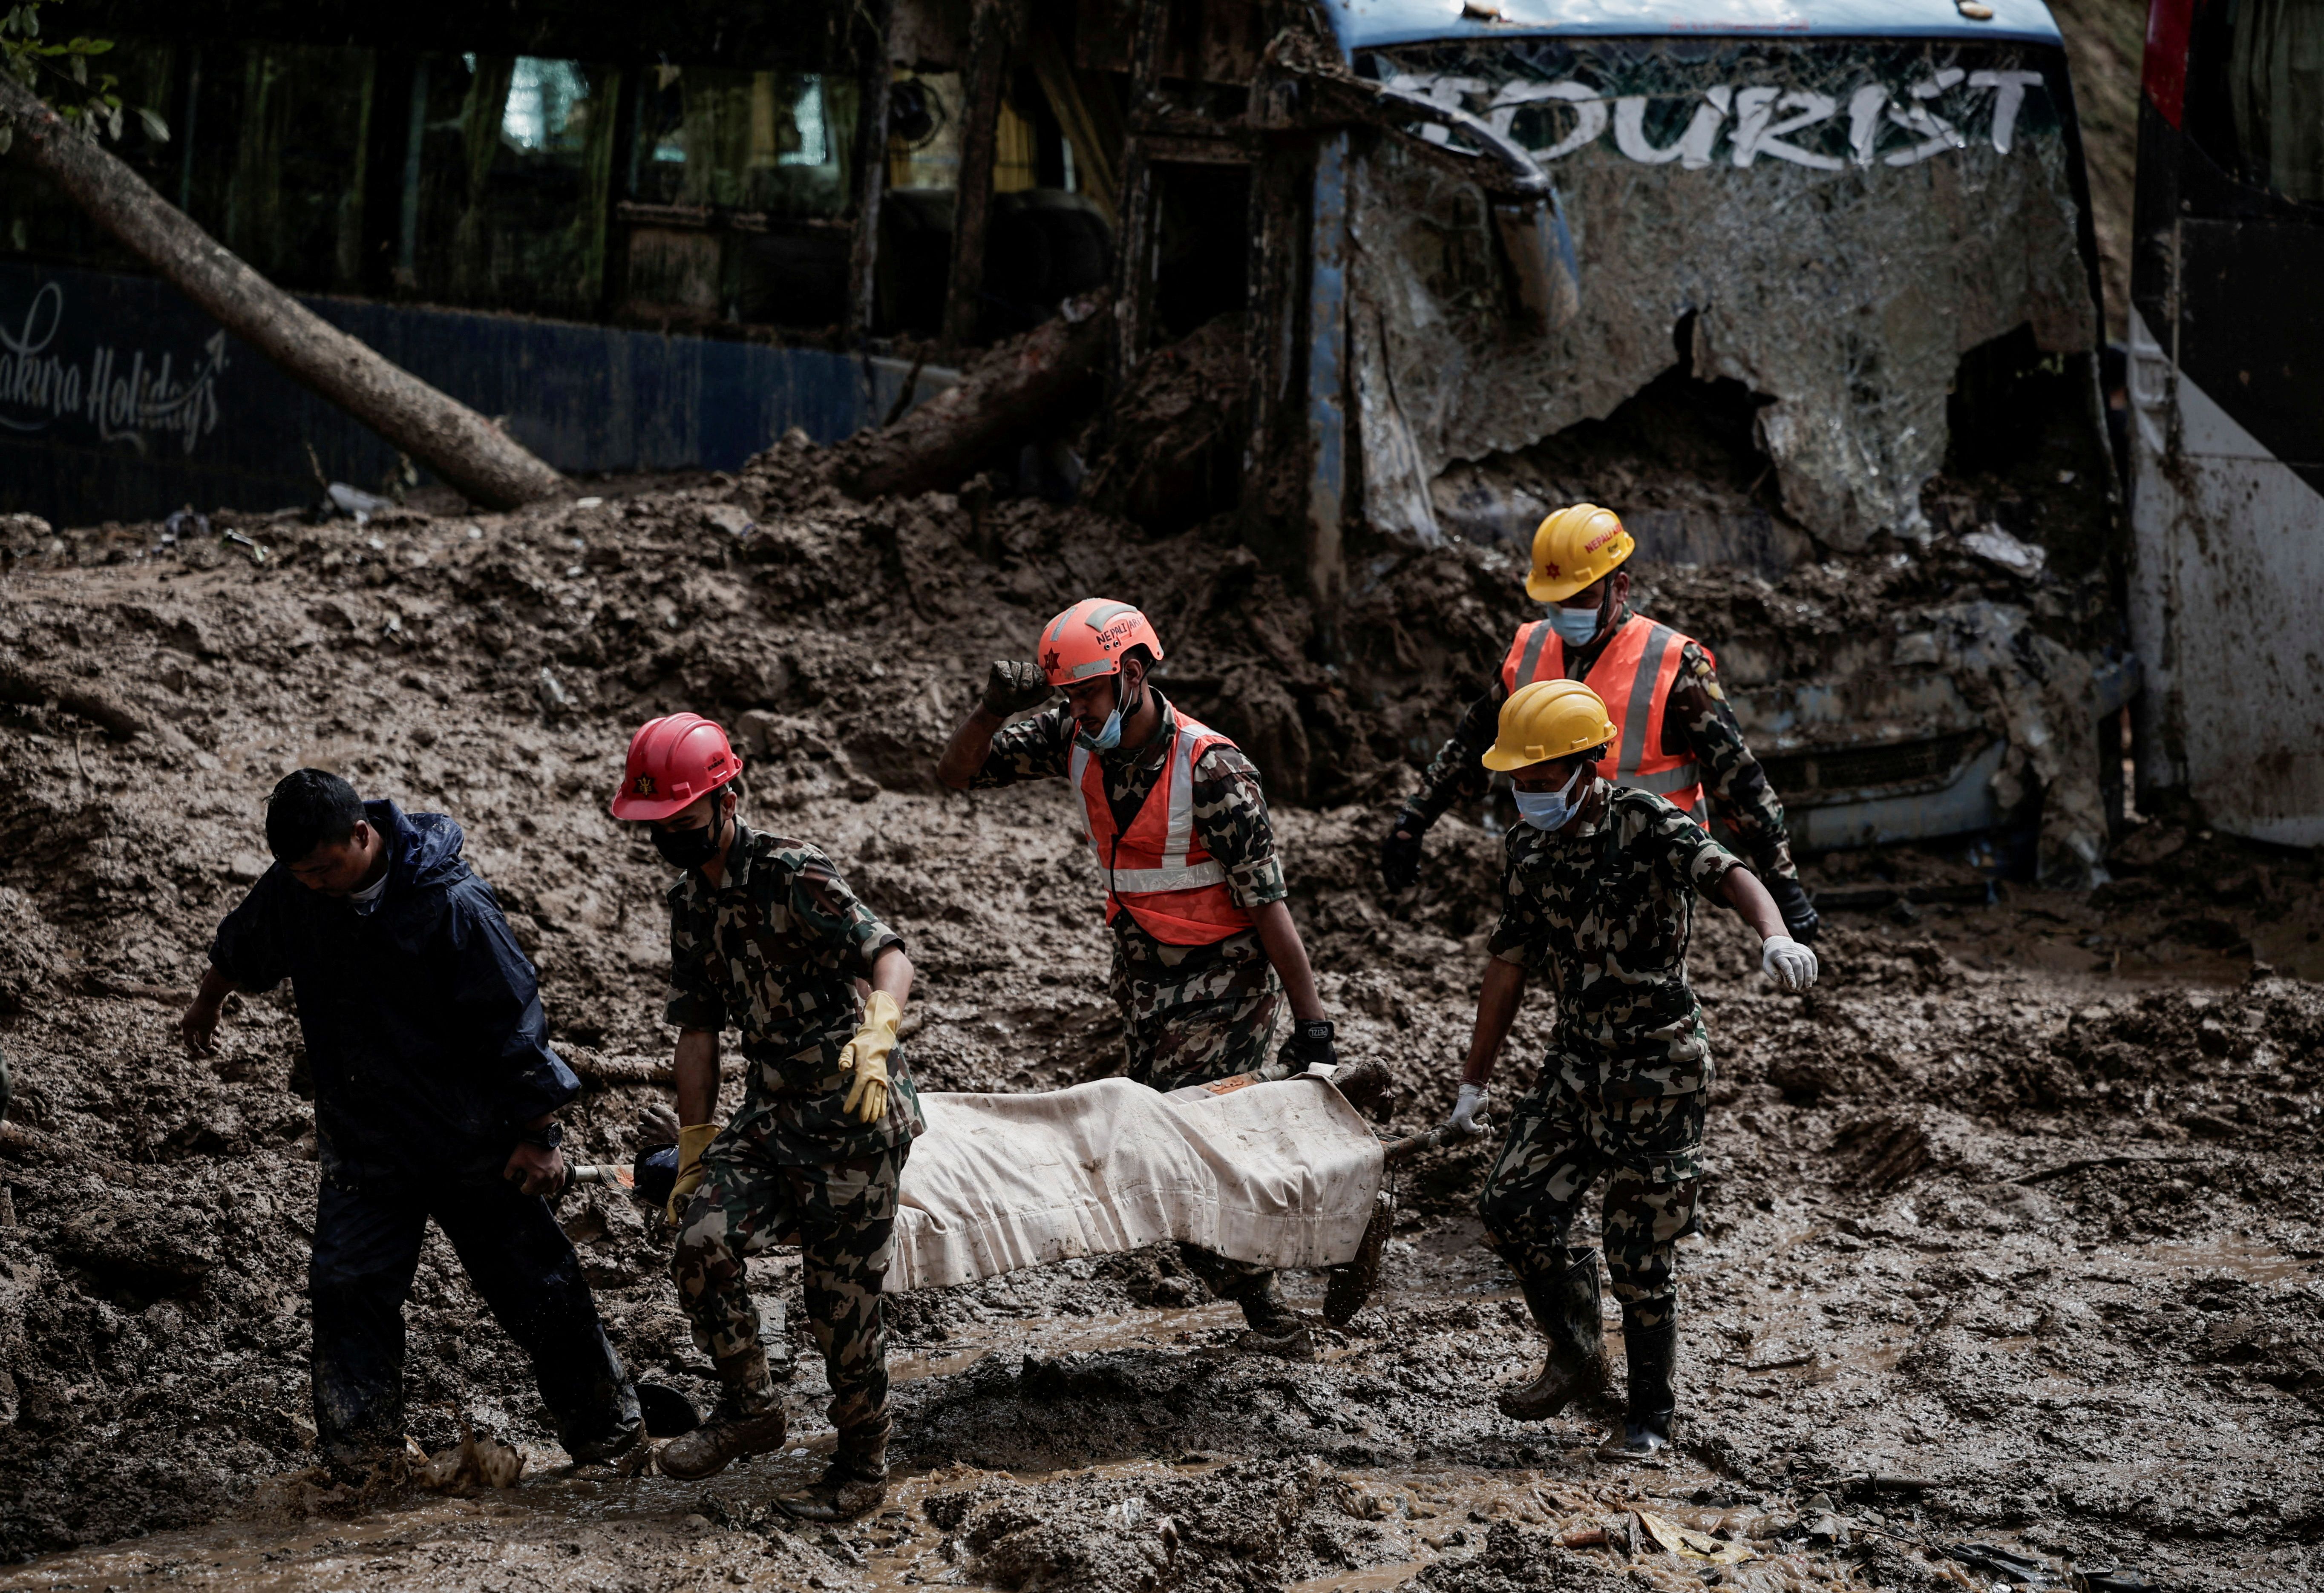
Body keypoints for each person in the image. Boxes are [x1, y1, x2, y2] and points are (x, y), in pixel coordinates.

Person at [179, 769, 638, 1479]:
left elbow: (515, 1024)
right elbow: (244, 945)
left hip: (474, 1141)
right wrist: (207, 1004)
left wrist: (539, 1135)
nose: (313, 885)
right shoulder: (297, 889)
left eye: (324, 870)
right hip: (366, 1146)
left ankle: (610, 1439)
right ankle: (362, 1467)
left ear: (362, 836)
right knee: (346, 1291)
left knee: (539, 1289)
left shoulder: (453, 906)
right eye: (299, 874)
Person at [935, 599, 1342, 1358]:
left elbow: (1270, 907)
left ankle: (1282, 1300)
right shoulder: (1074, 737)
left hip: (1224, 984)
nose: (1078, 712)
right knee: (1187, 1148)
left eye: (1087, 693)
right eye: (1067, 698)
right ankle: (1288, 1278)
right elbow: (956, 773)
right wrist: (992, 710)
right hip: (1143, 978)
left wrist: (1312, 1025)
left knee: (1186, 1152)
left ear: (1132, 673)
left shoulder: (1213, 772)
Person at [1444, 680, 1817, 1460]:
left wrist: (1774, 934)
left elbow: (1730, 875)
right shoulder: (1527, 845)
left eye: (1541, 780)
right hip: (1576, 1063)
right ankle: (1577, 1350)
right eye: (1518, 781)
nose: (1528, 794)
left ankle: (1650, 1414)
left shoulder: (1644, 822)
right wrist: (1473, 1084)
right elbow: (1508, 965)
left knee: (1639, 1251)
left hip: (1659, 1067)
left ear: (1586, 767)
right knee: (1512, 1205)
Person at [613, 713, 920, 1521]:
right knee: (700, 1241)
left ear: (728, 796)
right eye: (657, 830)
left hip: (856, 1114)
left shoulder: (795, 875)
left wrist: (880, 1029)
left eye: (681, 824)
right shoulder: (690, 906)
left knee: (839, 1306)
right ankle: (751, 1409)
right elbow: (698, 1032)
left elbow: (890, 955)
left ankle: (861, 1471)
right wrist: (693, 1145)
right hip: (773, 1113)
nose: (671, 840)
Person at [1380, 503, 1820, 944]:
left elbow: (1737, 778)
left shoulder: (1673, 663)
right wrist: (1414, 820)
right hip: (1552, 863)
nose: (1567, 612)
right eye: (1557, 601)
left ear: (1620, 586)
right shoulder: (1528, 649)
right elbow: (1471, 741)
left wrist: (1782, 882)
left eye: (1582, 598)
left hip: (1652, 870)